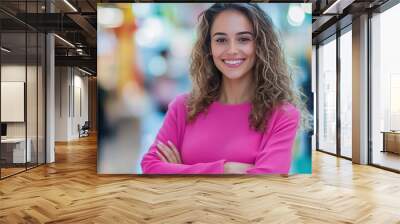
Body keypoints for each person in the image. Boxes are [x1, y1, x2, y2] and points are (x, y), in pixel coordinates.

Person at [141, 3, 307, 174]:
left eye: (243, 39)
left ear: (260, 46)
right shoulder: (183, 107)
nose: (232, 50)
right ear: (209, 48)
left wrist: (180, 171)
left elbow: (266, 184)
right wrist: (225, 169)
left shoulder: (282, 115)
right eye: (221, 40)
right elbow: (150, 166)